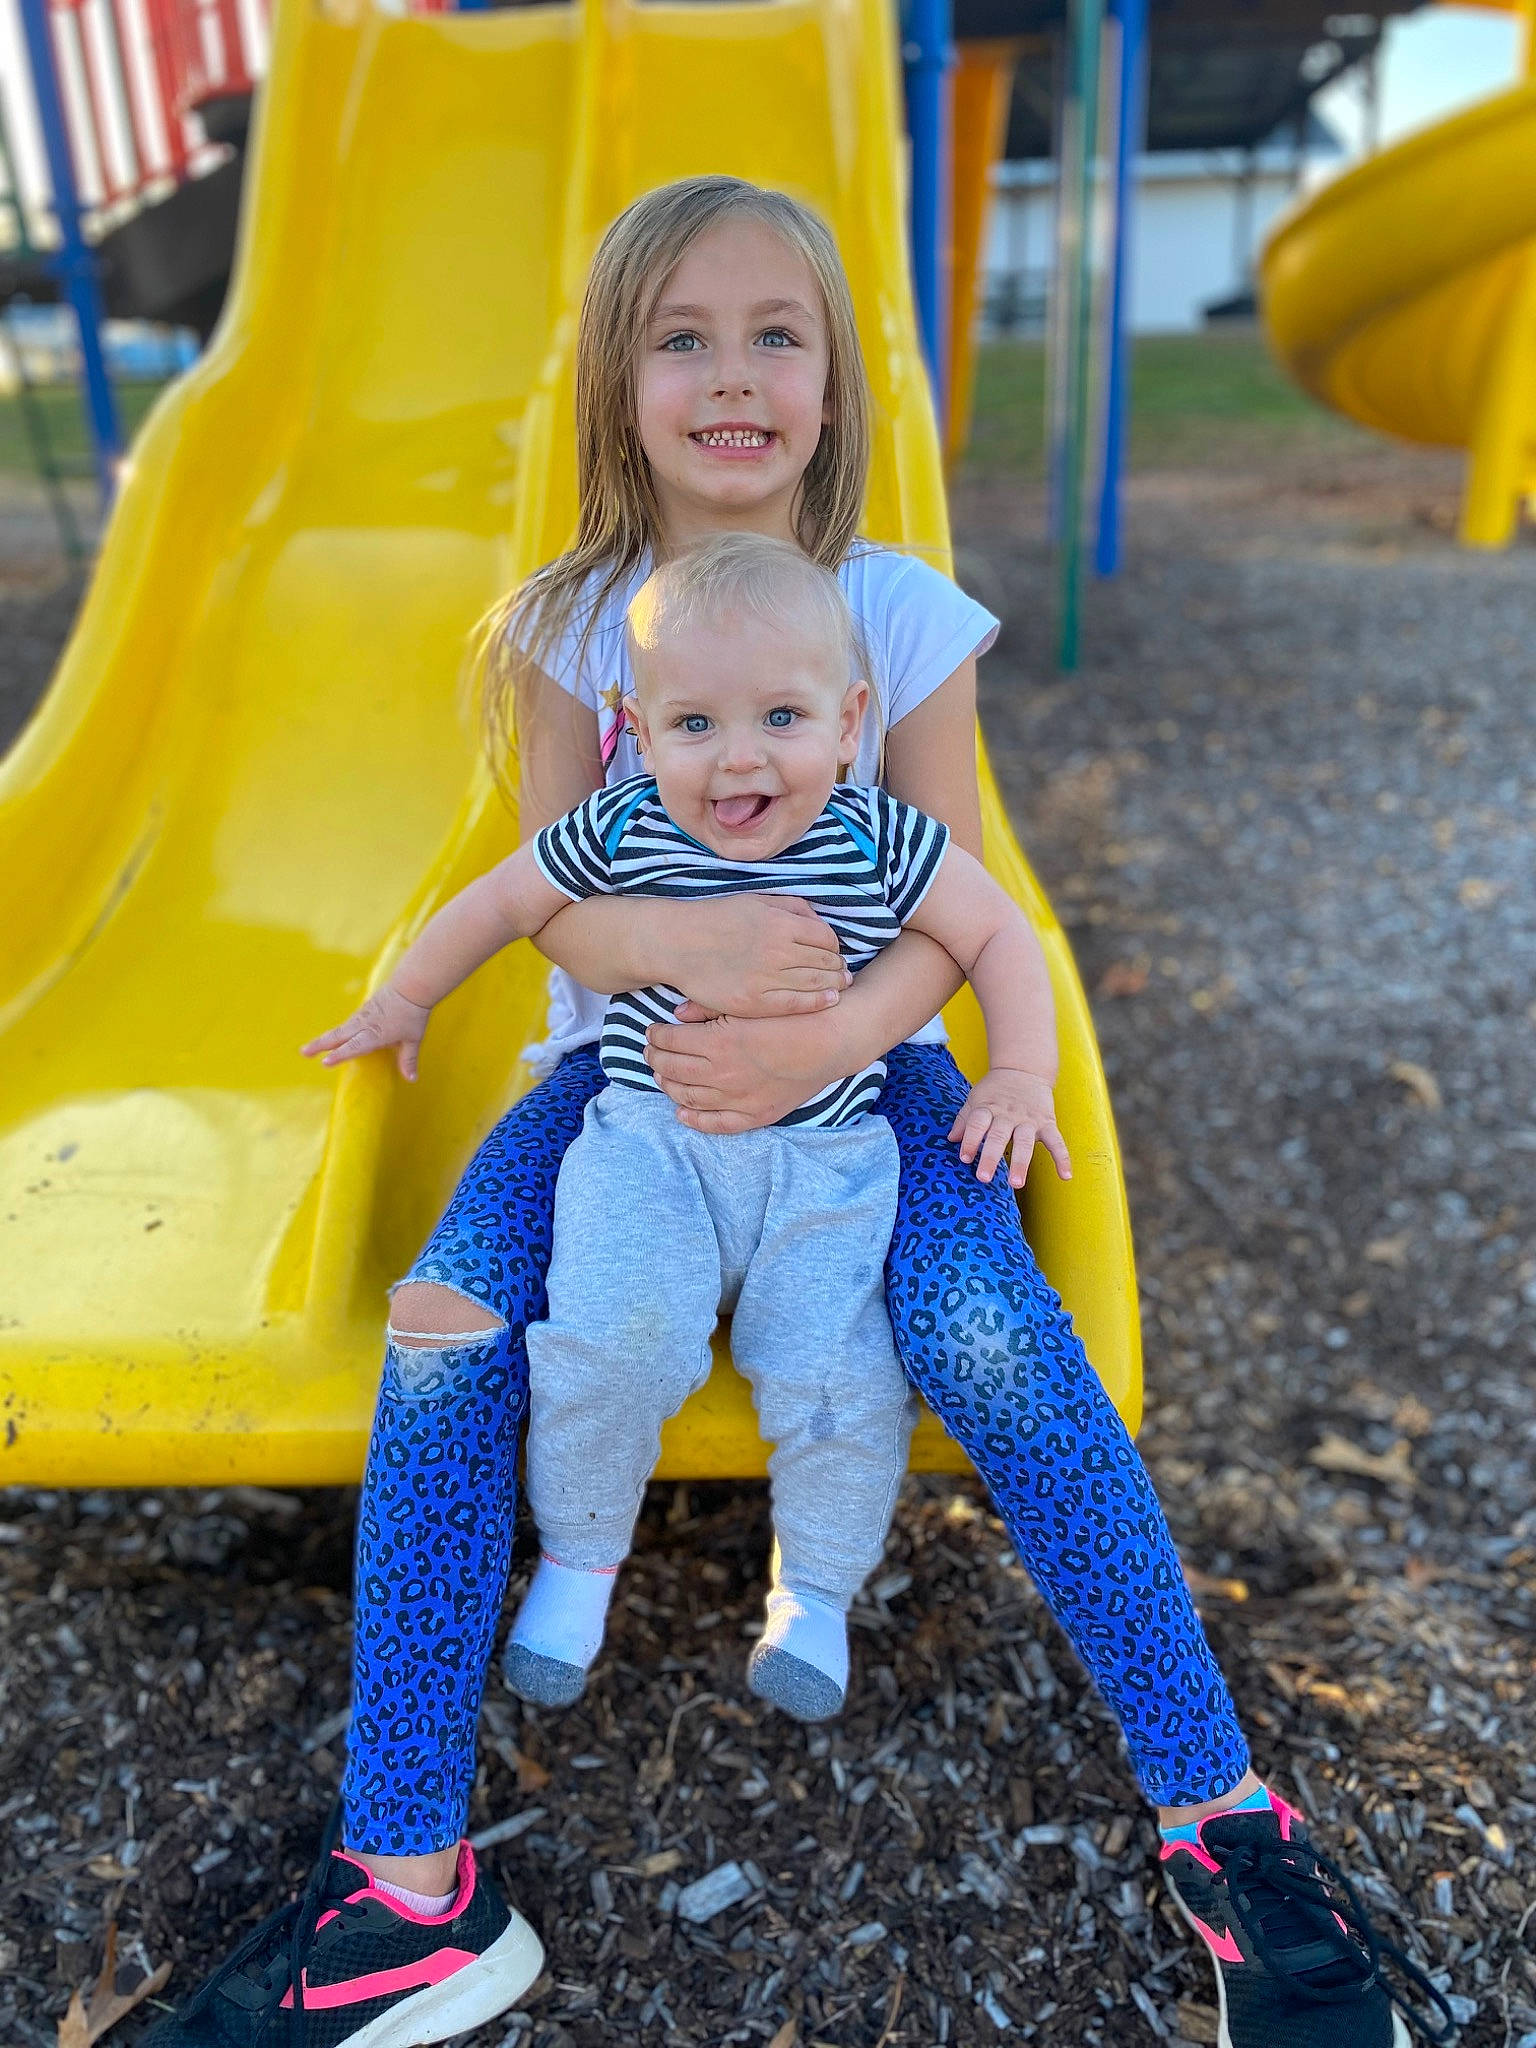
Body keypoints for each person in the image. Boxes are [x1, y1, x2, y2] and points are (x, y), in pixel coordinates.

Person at [146, 176, 1456, 2048]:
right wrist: (704, 968)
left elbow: (958, 897)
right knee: (442, 1337)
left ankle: (1225, 1818)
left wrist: (822, 1035)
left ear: (838, 385)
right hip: (617, 1082)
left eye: (780, 336)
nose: (735, 375)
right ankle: (407, 1893)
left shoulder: (902, 615)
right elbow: (553, 894)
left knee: (988, 1331)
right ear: (618, 380)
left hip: (871, 1080)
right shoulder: (564, 626)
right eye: (682, 335)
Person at [309, 532, 1072, 1727]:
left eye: (780, 714)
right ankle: (579, 1559)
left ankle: (812, 1592)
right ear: (640, 730)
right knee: (606, 1339)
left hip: (826, 1162)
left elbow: (997, 935)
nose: (740, 757)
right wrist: (406, 996)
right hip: (647, 1151)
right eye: (697, 725)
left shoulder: (879, 837)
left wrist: (1020, 1070)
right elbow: (507, 898)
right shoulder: (621, 830)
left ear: (848, 717)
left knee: (838, 1374)